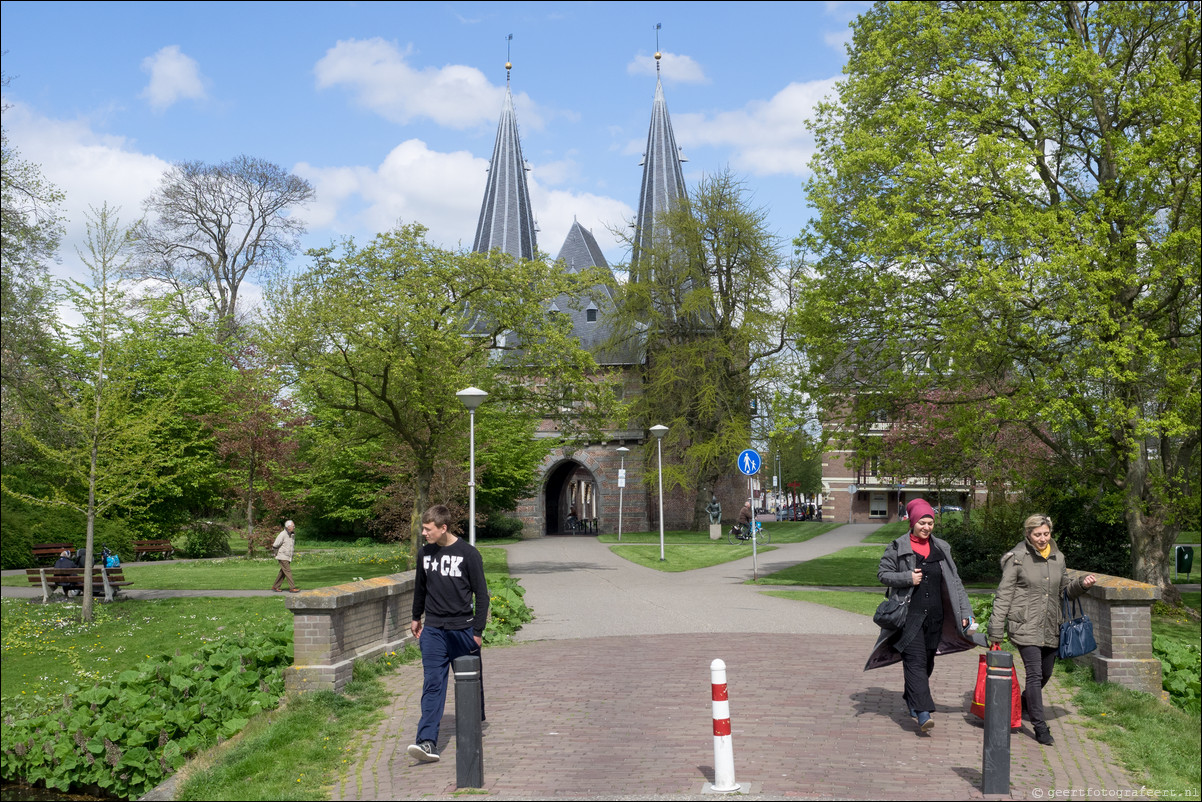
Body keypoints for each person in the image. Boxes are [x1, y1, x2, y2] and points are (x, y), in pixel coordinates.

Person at [865, 498, 982, 732]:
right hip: (909, 616)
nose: (926, 527)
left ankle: (912, 697)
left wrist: (966, 612)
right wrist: (907, 578)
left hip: (936, 617)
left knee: (927, 662)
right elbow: (883, 574)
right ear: (913, 522)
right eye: (922, 522)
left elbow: (955, 582)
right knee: (915, 661)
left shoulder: (942, 548)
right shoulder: (898, 546)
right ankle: (923, 713)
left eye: (930, 523)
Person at [988, 514, 1096, 746]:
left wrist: (1081, 585)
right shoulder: (1017, 559)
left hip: (1051, 625)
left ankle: (1024, 704)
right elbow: (1004, 594)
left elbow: (1065, 590)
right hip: (1024, 624)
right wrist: (996, 628)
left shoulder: (1058, 557)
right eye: (1037, 534)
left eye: (1046, 534)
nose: (1043, 538)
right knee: (1035, 675)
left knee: (1046, 673)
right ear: (1028, 535)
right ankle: (1040, 726)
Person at [407, 504, 490, 764]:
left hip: (463, 630)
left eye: (428, 529)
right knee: (433, 683)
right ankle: (427, 742)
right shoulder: (425, 554)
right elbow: (420, 588)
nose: (424, 533)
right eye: (423, 528)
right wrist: (415, 617)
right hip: (433, 631)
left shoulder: (469, 554)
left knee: (470, 683)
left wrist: (476, 632)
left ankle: (473, 726)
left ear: (443, 528)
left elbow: (482, 595)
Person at [270, 520, 299, 593]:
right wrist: (276, 553)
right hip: (282, 556)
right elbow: (275, 545)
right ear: (288, 527)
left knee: (283, 572)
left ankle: (275, 586)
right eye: (293, 526)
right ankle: (292, 588)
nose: (294, 527)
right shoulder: (282, 534)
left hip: (287, 556)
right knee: (288, 571)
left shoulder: (291, 535)